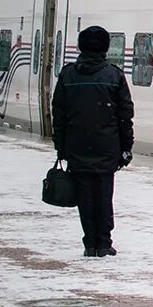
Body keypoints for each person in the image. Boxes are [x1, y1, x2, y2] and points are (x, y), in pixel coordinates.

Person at [52, 25, 134, 257]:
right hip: (107, 147)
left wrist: (61, 146)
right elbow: (125, 115)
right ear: (106, 48)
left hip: (77, 146)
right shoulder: (114, 75)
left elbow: (59, 113)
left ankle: (90, 243)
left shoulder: (68, 75)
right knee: (104, 195)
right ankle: (104, 242)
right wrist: (126, 147)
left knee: (85, 197)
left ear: (80, 46)